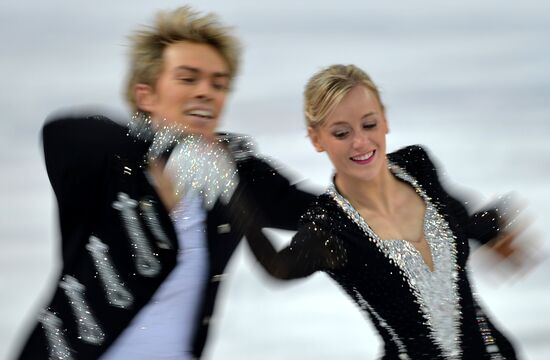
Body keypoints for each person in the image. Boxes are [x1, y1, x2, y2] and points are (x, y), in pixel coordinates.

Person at [16, 6, 315, 360]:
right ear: (146, 96)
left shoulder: (230, 169)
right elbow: (62, 132)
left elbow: (314, 209)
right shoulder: (109, 165)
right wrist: (165, 150)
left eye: (218, 84)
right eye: (188, 79)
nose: (207, 92)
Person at [240, 64, 525, 359]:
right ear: (316, 139)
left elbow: (454, 211)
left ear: (385, 120)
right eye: (341, 132)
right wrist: (233, 199)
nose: (361, 142)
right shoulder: (329, 228)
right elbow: (279, 267)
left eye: (369, 124)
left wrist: (490, 232)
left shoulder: (418, 167)